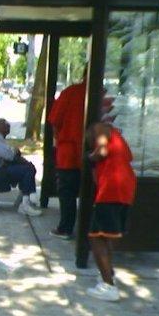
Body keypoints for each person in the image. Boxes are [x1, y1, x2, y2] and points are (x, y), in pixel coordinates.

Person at [86, 123, 136, 302]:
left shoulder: (100, 128)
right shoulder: (118, 139)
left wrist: (90, 157)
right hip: (124, 187)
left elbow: (102, 151)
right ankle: (107, 274)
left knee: (95, 237)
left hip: (112, 188)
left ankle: (108, 286)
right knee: (106, 235)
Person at [47, 66, 87, 240]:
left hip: (69, 151)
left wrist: (59, 137)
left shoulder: (70, 92)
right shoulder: (103, 95)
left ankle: (66, 228)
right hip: (95, 152)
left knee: (67, 192)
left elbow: (55, 120)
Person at [0, 118, 41, 216]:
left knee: (28, 168)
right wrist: (15, 151)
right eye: (5, 124)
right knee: (27, 170)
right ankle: (26, 203)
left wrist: (15, 152)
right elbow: (10, 156)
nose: (8, 126)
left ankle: (25, 201)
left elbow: (9, 154)